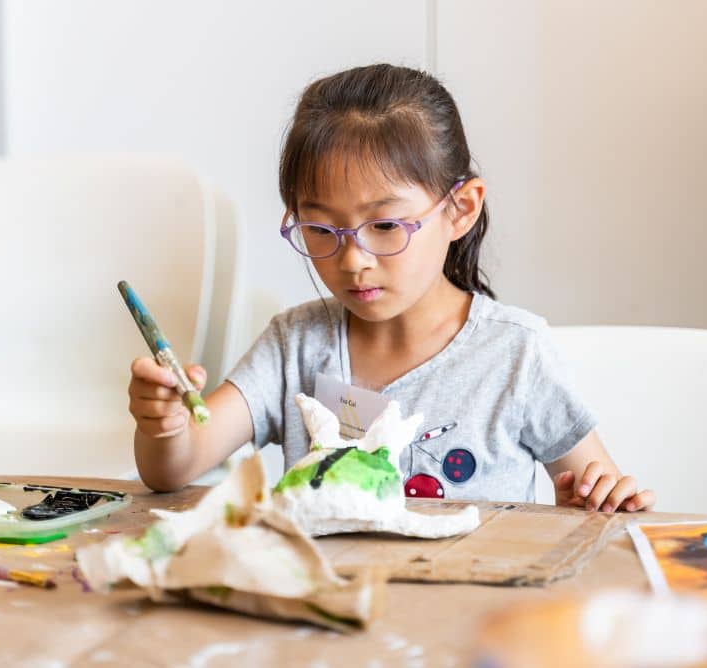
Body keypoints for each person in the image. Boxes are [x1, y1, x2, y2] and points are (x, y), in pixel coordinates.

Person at [128, 64, 655, 513]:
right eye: (321, 230)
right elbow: (175, 469)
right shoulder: (295, 346)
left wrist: (591, 507)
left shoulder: (515, 354)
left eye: (385, 227)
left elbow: (602, 503)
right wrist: (166, 426)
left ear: (461, 209)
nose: (353, 261)